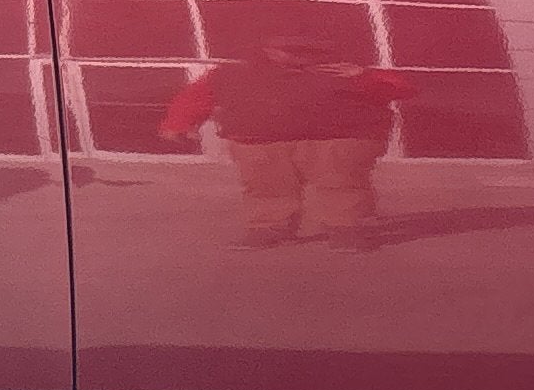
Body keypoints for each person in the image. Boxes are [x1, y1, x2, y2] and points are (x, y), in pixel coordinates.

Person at [157, 19, 415, 247]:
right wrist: (178, 123)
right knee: (266, 186)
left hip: (338, 141)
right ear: (267, 49)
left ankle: (348, 228)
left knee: (341, 185)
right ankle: (268, 227)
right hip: (258, 142)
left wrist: (364, 76)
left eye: (307, 50)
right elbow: (197, 97)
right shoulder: (234, 74)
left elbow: (402, 89)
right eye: (288, 49)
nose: (297, 55)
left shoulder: (346, 70)